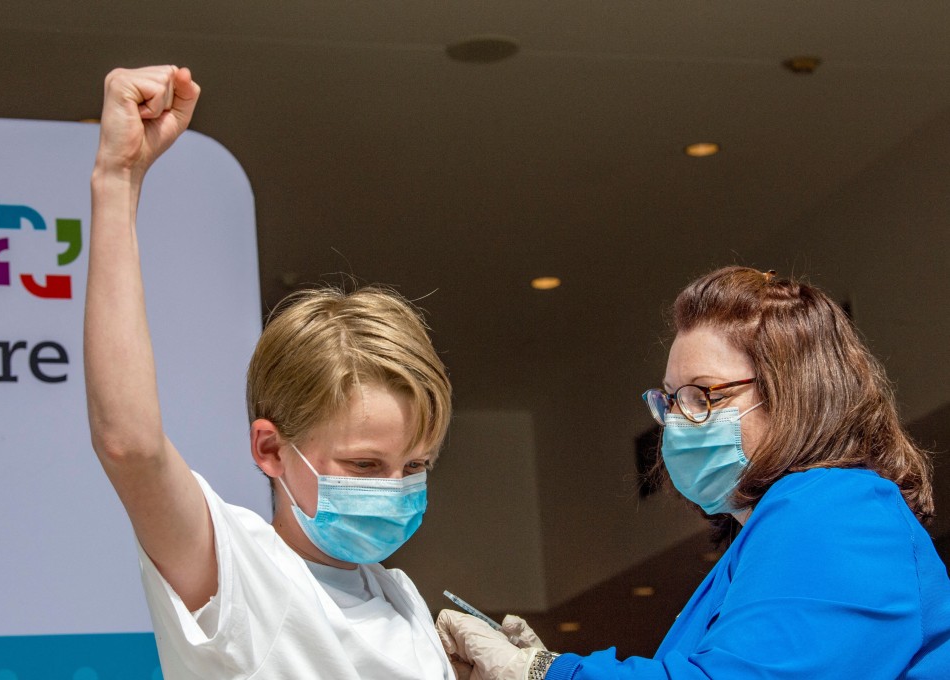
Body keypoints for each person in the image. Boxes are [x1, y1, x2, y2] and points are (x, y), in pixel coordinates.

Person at [85, 65, 456, 679]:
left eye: (414, 466)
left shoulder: (402, 600)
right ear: (270, 448)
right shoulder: (238, 571)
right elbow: (131, 444)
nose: (394, 489)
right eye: (365, 466)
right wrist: (117, 179)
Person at [436, 266, 950, 679]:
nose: (677, 423)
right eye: (671, 401)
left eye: (702, 395)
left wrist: (546, 673)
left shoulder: (837, 509)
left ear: (793, 393)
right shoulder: (772, 533)